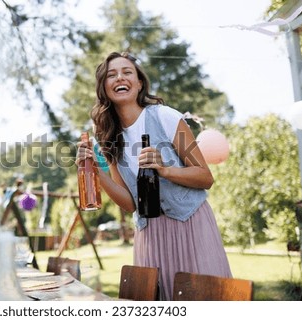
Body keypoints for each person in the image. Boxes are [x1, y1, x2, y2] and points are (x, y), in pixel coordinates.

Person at [76, 51, 232, 300]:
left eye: (127, 72)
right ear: (104, 88)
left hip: (189, 224)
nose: (120, 78)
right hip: (150, 234)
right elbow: (129, 203)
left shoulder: (165, 117)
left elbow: (205, 176)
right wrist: (96, 172)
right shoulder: (109, 138)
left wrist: (165, 170)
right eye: (111, 75)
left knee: (202, 301)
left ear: (139, 83)